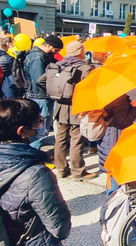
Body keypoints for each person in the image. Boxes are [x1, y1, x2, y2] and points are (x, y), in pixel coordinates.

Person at [0, 99, 71, 245]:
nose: (41, 125)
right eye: (38, 122)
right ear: (22, 131)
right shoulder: (37, 174)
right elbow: (60, 228)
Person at [37, 41, 96, 180]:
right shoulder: (84, 68)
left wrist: (55, 92)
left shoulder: (57, 65)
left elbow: (40, 80)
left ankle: (61, 169)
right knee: (76, 139)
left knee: (60, 139)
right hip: (77, 106)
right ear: (80, 51)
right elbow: (91, 88)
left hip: (60, 106)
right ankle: (78, 171)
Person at [24, 34, 63, 148]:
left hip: (37, 95)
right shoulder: (37, 57)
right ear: (48, 45)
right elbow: (39, 79)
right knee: (40, 129)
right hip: (40, 96)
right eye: (56, 50)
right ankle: (36, 156)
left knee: (39, 127)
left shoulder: (37, 55)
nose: (56, 53)